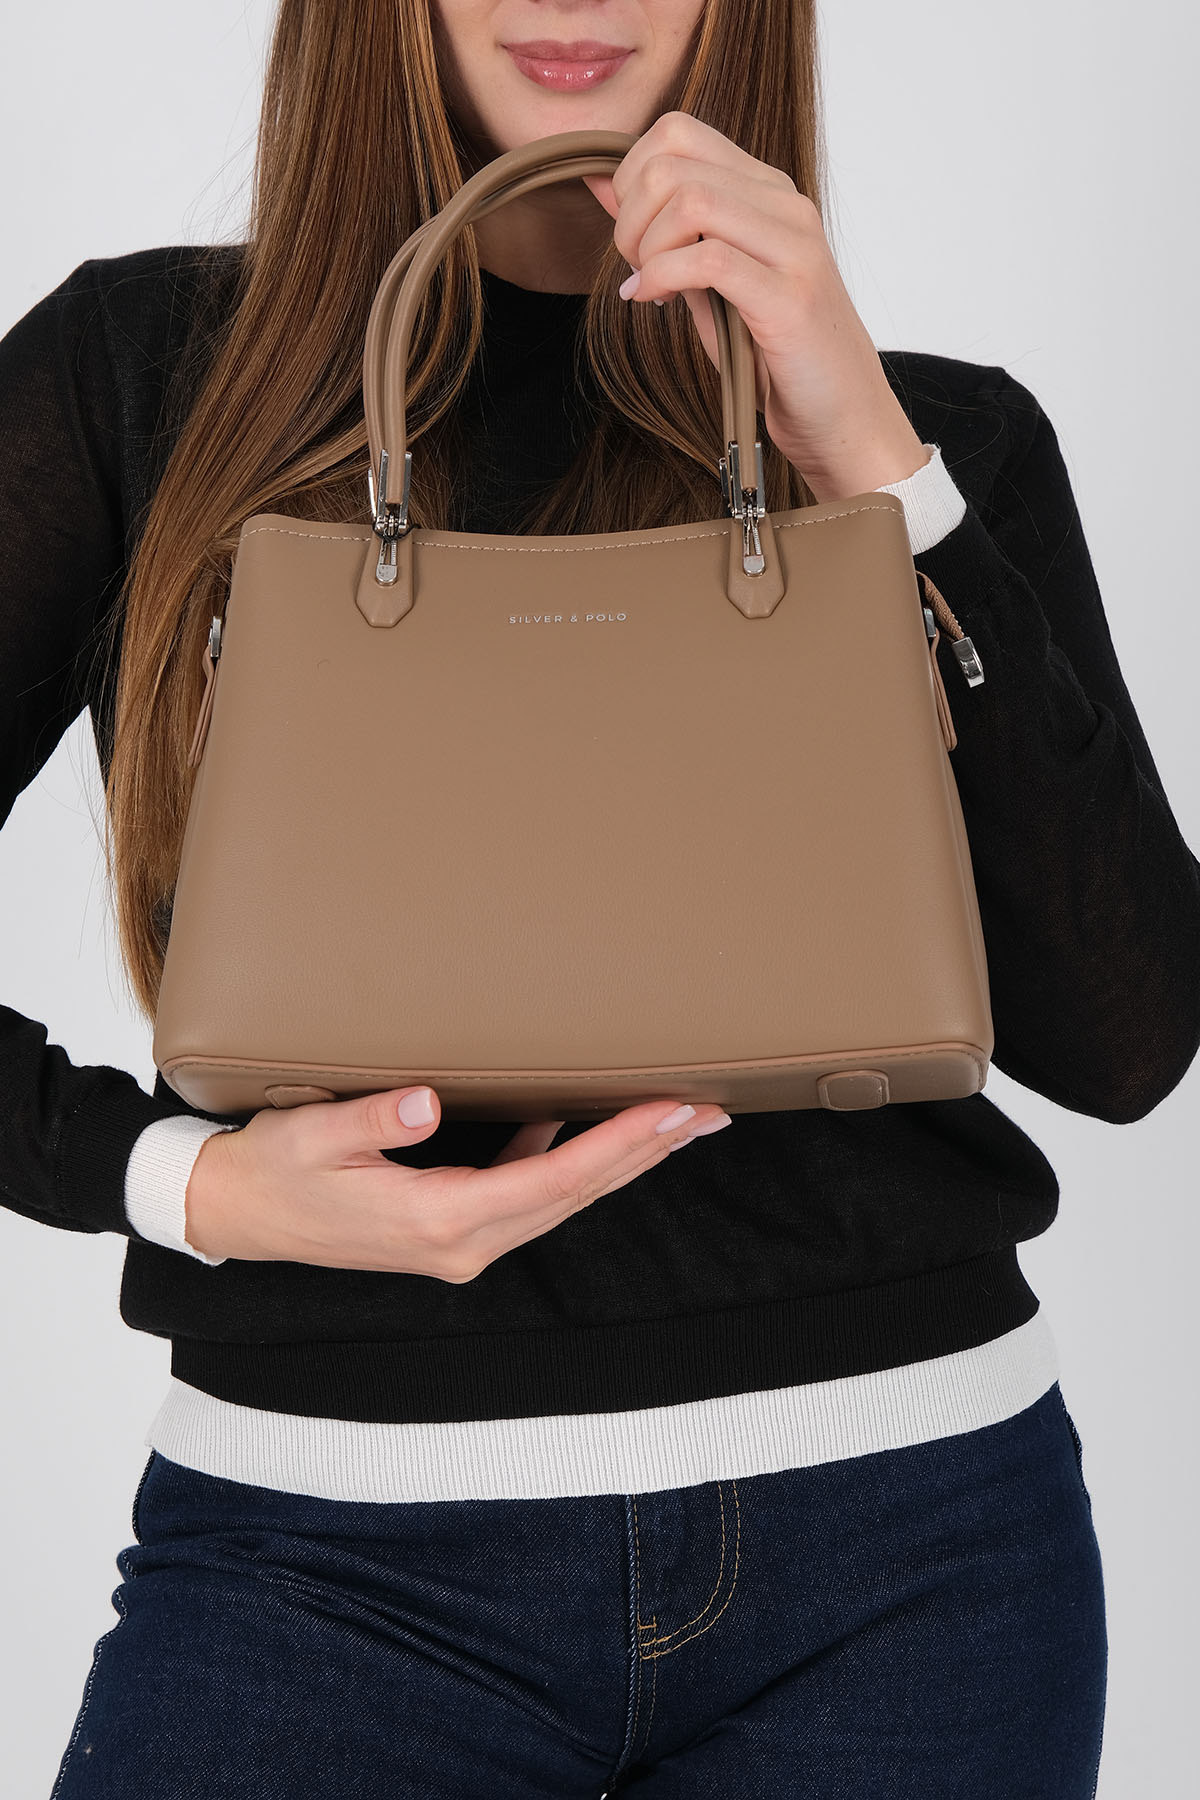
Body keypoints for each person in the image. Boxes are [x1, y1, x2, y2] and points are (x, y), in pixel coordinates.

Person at [3, 2, 1197, 1794]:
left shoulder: (931, 438)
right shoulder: (150, 383)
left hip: (919, 1563)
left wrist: (875, 466)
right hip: (320, 1570)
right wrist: (180, 1184)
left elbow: (1127, 1038)